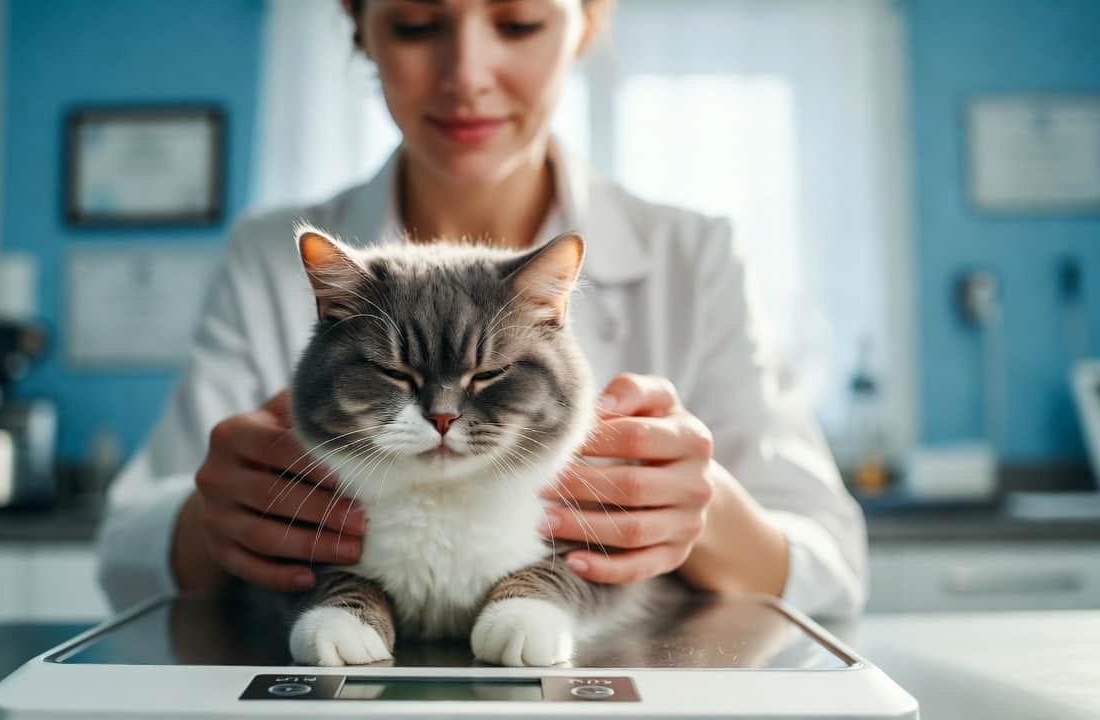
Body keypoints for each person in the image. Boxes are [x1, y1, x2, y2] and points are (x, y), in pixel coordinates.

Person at [96, 0, 867, 620]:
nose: (466, 74)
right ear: (359, 28)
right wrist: (220, 516)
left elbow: (833, 568)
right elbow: (125, 548)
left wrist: (703, 510)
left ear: (587, 22)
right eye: (417, 25)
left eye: (519, 22)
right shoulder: (272, 255)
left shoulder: (694, 254)